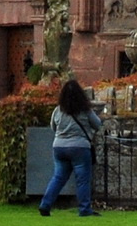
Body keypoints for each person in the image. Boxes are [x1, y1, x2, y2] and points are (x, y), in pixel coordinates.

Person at [36, 76, 101, 218]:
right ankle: (84, 209)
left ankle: (45, 205)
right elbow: (97, 124)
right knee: (82, 179)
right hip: (80, 147)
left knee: (58, 177)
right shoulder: (85, 110)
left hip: (59, 147)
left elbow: (53, 127)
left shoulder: (58, 110)